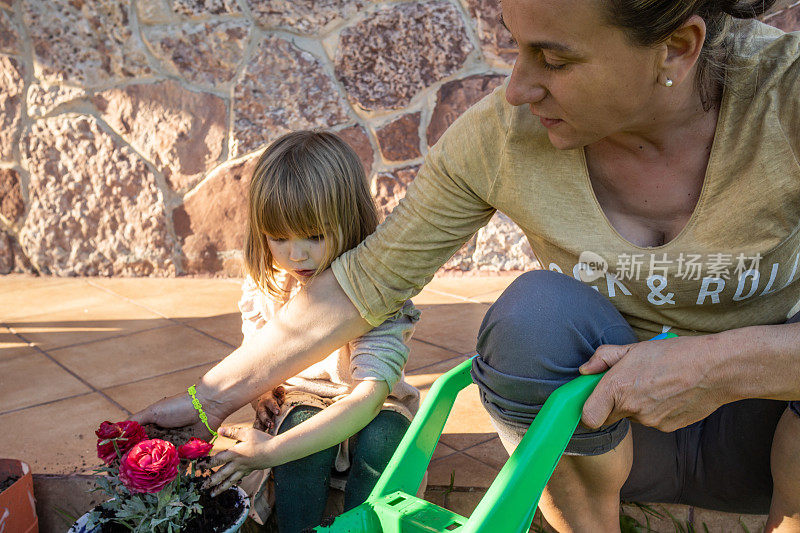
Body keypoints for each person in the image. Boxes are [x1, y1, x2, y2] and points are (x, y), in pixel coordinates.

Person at [132, 1, 800, 531]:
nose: (516, 87)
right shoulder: (503, 139)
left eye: (553, 57)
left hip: (768, 439)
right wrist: (209, 400)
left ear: (676, 49)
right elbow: (368, 281)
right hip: (605, 435)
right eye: (515, 45)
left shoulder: (785, 98)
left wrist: (716, 364)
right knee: (533, 318)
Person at [199, 131, 420, 533]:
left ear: (349, 220)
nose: (295, 255)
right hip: (302, 394)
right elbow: (259, 341)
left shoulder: (376, 286)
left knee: (385, 439)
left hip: (371, 399)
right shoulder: (269, 278)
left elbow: (369, 395)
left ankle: (362, 526)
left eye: (315, 236)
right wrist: (262, 390)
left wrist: (270, 451)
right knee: (299, 430)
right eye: (279, 238)